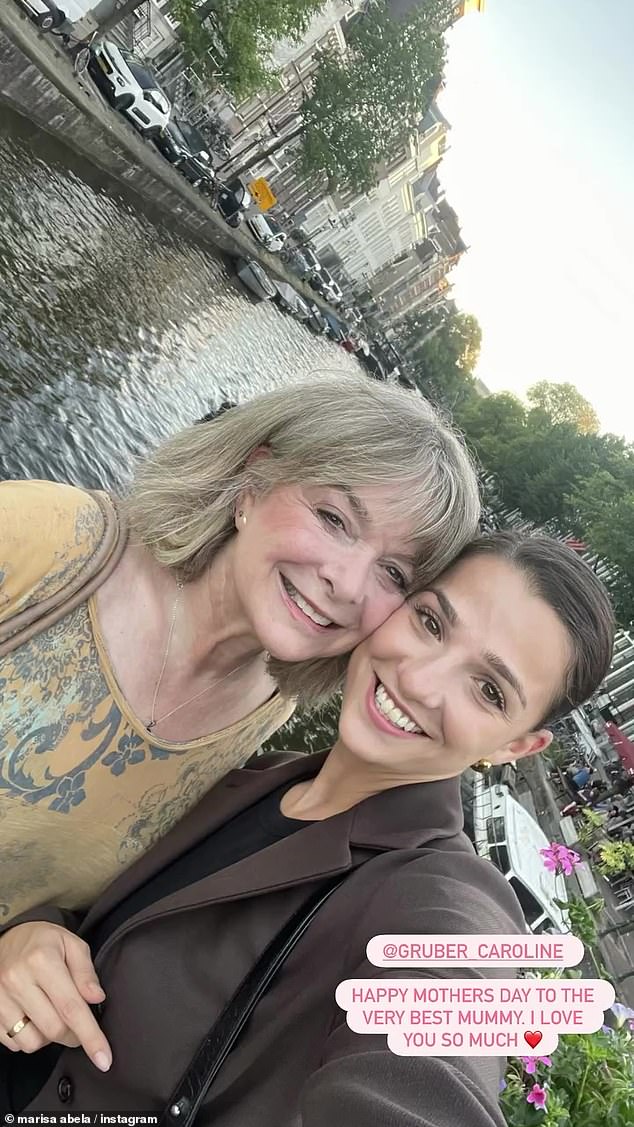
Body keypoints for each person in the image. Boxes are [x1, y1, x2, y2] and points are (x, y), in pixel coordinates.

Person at [0, 531, 615, 1125]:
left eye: (487, 689)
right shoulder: (259, 776)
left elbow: (434, 1065)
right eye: (430, 622)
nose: (419, 680)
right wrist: (34, 937)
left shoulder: (439, 895)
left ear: (516, 745)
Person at [0, 376, 480, 924]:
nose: (347, 584)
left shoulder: (267, 710)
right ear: (253, 481)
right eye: (334, 519)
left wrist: (32, 931)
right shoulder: (47, 540)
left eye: (393, 573)